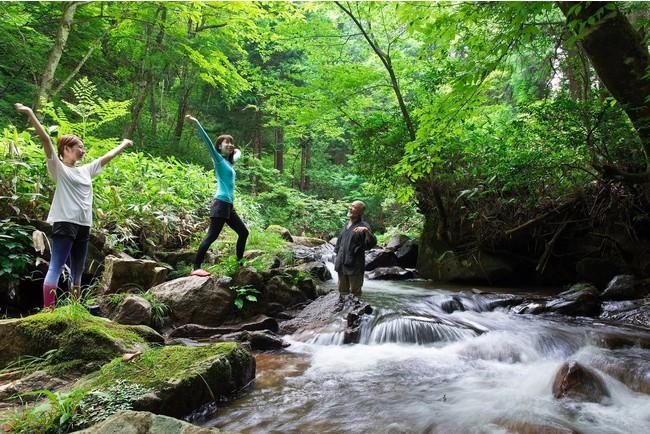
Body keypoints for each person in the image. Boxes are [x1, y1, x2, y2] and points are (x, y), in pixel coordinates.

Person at [15, 103, 133, 308]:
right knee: (57, 266)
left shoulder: (85, 170)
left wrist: (123, 144)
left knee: (77, 269)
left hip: (83, 224)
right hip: (64, 222)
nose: (83, 151)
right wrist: (31, 113)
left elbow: (107, 158)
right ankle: (49, 310)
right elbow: (45, 140)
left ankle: (75, 307)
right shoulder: (58, 167)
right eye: (80, 147)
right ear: (66, 149)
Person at [184, 114, 249, 277]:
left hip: (228, 206)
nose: (230, 145)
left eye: (231, 143)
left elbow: (239, 153)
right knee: (212, 235)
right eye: (226, 142)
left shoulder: (229, 163)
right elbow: (207, 143)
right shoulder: (219, 161)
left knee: (243, 232)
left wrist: (236, 152)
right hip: (220, 203)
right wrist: (197, 123)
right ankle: (196, 267)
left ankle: (239, 263)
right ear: (219, 147)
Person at [334, 200, 377, 296]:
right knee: (342, 291)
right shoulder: (346, 224)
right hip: (341, 263)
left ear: (361, 212)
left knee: (355, 293)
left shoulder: (364, 226)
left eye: (354, 207)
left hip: (355, 265)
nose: (350, 208)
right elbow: (339, 243)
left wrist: (366, 232)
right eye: (351, 205)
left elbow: (372, 243)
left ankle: (355, 310)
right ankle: (343, 310)